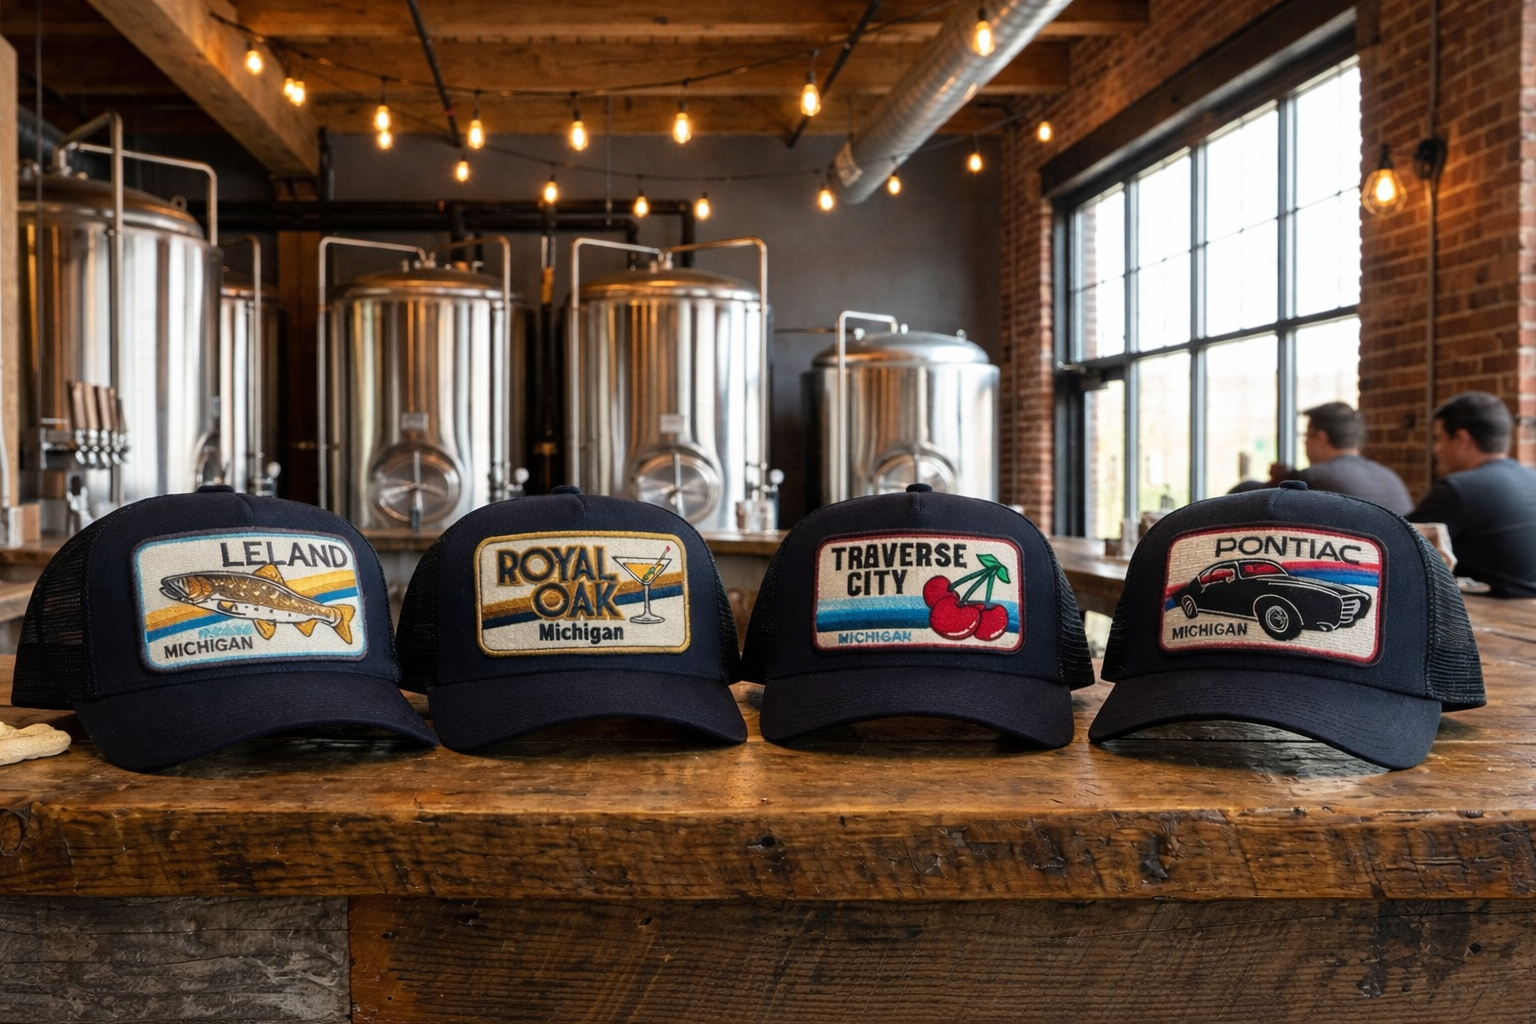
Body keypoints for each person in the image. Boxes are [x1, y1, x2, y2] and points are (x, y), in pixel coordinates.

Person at [1408, 391, 1536, 597]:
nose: (1435, 449)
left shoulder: (1458, 489)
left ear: (1462, 439)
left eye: (1438, 438)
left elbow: (1398, 543)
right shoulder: (1532, 477)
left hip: (1496, 611)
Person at [1269, 402, 1413, 514]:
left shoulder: (1315, 476)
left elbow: (1265, 502)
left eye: (1307, 436)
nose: (1304, 443)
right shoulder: (1388, 476)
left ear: (1321, 439)